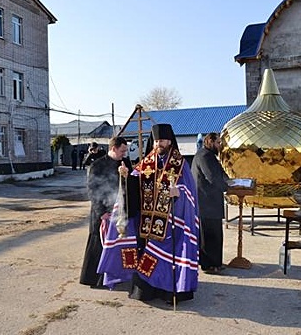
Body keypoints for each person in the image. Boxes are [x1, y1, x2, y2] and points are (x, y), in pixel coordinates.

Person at [98, 124, 200, 304]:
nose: (158, 143)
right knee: (147, 256)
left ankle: (171, 291)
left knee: (168, 258)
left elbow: (189, 191)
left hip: (171, 221)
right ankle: (147, 292)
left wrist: (179, 192)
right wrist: (126, 176)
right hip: (146, 221)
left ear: (170, 141)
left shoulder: (180, 163)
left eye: (162, 140)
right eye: (156, 140)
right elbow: (134, 184)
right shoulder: (147, 162)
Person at [79, 137, 133, 288]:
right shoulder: (97, 165)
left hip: (120, 212)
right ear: (114, 148)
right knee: (98, 245)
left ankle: (115, 276)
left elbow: (132, 183)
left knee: (116, 244)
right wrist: (101, 212)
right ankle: (94, 279)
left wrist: (129, 175)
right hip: (102, 212)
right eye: (122, 151)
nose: (124, 154)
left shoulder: (125, 163)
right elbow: (92, 190)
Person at [191, 132, 230, 274]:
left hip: (209, 202)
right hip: (206, 202)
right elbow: (213, 178)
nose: (220, 146)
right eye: (218, 143)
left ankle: (215, 263)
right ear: (211, 142)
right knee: (209, 236)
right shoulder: (205, 156)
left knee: (214, 234)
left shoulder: (208, 155)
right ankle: (210, 265)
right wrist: (228, 187)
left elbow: (220, 173)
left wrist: (231, 181)